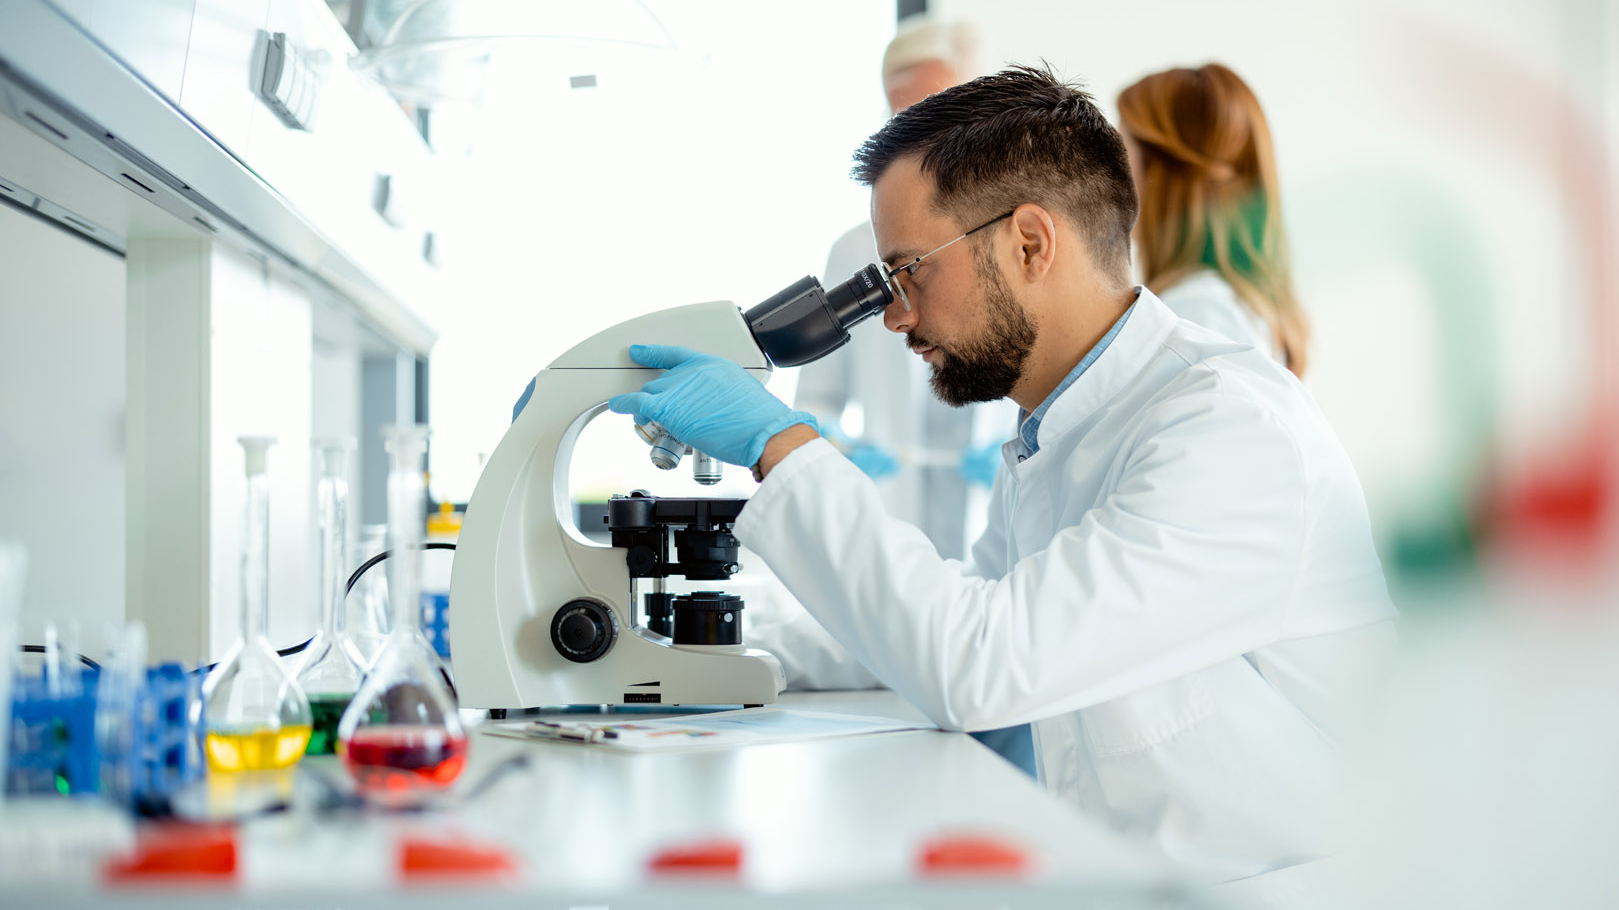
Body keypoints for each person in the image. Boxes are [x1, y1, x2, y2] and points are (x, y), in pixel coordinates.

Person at [608, 66, 1395, 887]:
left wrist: (783, 445)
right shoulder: (1062, 426)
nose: (894, 316)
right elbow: (953, 609)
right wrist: (712, 657)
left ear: (1028, 242)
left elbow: (978, 663)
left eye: (908, 271)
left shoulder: (1226, 433)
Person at [798, 15, 1016, 563]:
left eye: (937, 107)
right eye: (902, 113)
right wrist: (842, 450)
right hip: (893, 510)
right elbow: (816, 401)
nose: (917, 132)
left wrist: (1024, 441)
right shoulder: (854, 250)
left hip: (998, 512)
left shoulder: (1014, 238)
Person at [1117, 63, 1308, 375]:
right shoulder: (1250, 310)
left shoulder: (1193, 318)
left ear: (1160, 177)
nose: (1108, 176)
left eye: (1120, 154)